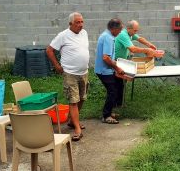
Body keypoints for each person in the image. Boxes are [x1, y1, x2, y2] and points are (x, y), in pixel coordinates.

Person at [46, 12, 89, 141]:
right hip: (70, 73)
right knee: (73, 101)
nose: (80, 25)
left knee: (82, 98)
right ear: (70, 23)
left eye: (82, 22)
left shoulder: (84, 33)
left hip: (84, 72)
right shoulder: (63, 35)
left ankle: (72, 121)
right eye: (77, 22)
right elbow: (49, 50)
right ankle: (77, 129)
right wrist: (57, 66)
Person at [95, 18, 126, 124]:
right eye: (120, 29)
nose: (120, 32)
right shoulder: (108, 37)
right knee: (113, 92)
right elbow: (106, 58)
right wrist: (117, 68)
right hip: (104, 70)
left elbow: (109, 57)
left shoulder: (108, 35)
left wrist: (117, 66)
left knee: (115, 89)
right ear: (113, 28)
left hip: (106, 69)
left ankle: (108, 112)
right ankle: (106, 115)